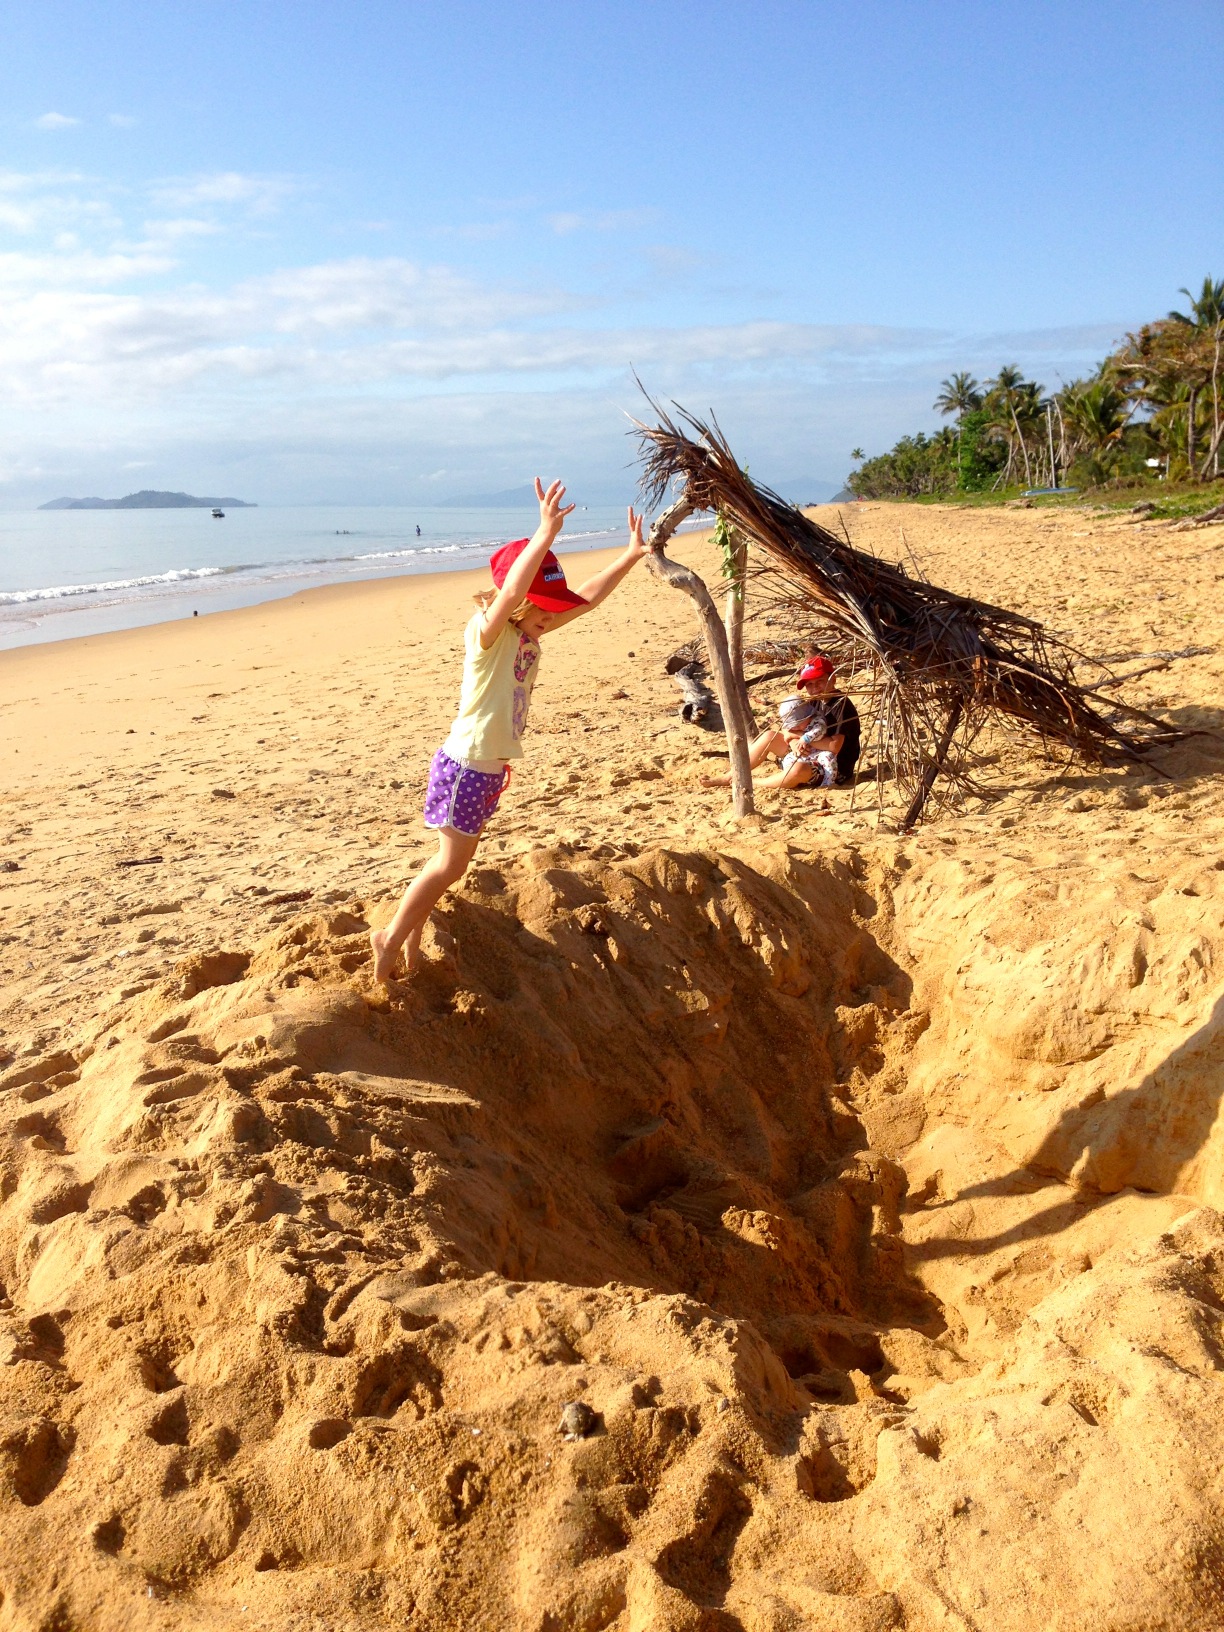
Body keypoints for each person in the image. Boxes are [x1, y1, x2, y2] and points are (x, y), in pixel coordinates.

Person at [370, 479, 649, 982]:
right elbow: (515, 591)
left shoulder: (527, 631)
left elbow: (586, 600)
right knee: (449, 866)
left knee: (449, 865)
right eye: (545, 606)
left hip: (487, 770)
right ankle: (389, 937)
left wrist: (629, 557)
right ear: (519, 603)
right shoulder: (488, 635)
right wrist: (544, 534)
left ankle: (410, 933)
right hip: (466, 765)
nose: (552, 616)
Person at [702, 654, 860, 792]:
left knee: (797, 770)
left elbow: (834, 746)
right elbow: (788, 728)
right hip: (809, 751)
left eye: (820, 681)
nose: (815, 688)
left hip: (832, 766)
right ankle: (732, 776)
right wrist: (793, 742)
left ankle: (754, 783)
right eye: (809, 685)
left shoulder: (841, 705)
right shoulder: (814, 701)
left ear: (833, 678)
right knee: (768, 736)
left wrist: (801, 737)